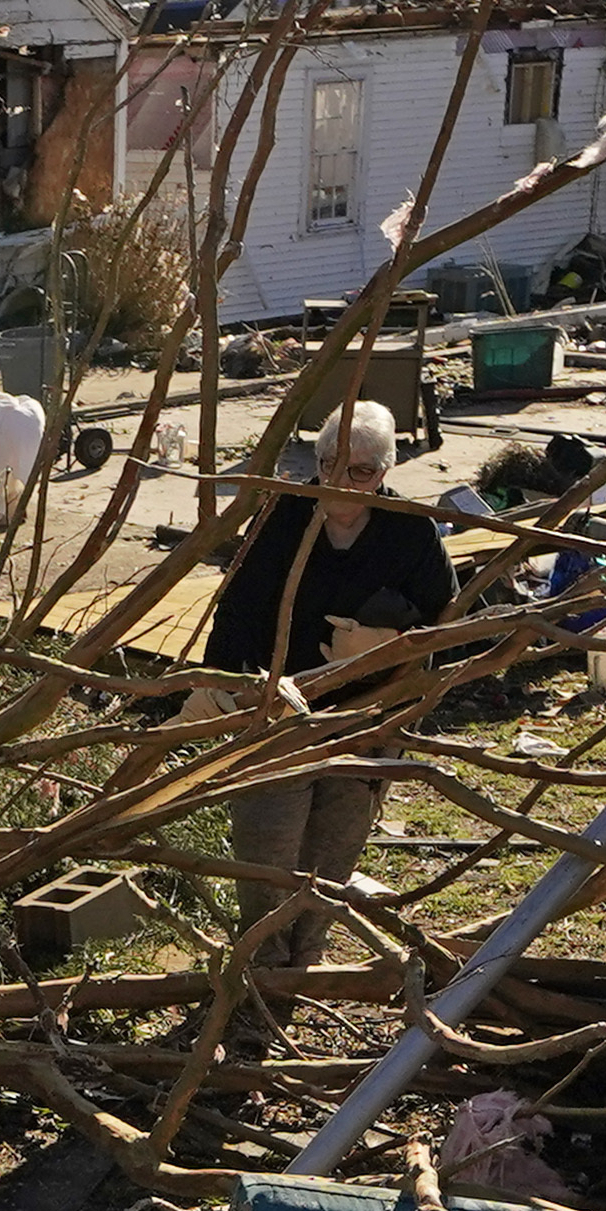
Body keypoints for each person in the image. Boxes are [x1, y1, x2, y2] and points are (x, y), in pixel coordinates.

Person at [200, 400, 457, 973]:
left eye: (359, 471)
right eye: (327, 465)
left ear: (386, 469)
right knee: (268, 850)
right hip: (279, 713)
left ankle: (306, 963)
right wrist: (218, 686)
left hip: (366, 721)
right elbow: (236, 612)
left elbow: (457, 631)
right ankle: (266, 971)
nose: (340, 482)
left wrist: (385, 645)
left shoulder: (411, 530)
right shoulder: (283, 518)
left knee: (331, 854)